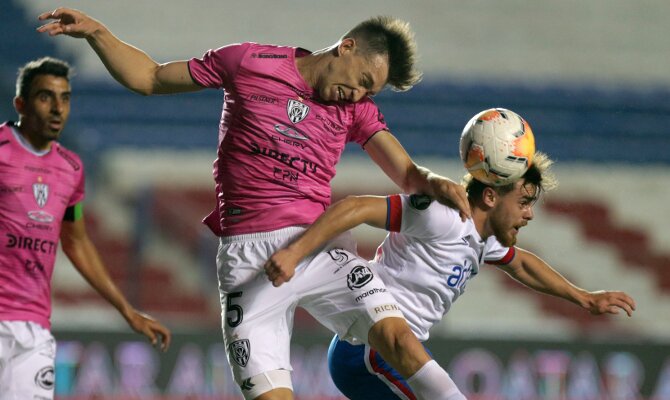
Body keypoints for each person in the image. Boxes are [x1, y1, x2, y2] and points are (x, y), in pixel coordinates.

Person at [37, 8, 472, 400]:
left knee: (397, 339)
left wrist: (435, 183)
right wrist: (98, 33)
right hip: (247, 261)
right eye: (362, 81)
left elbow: (408, 174)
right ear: (347, 46)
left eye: (370, 92)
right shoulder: (248, 62)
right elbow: (149, 78)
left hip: (318, 248)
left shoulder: (356, 112)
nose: (358, 96)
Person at [264, 149, 637, 399]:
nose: (530, 214)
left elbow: (522, 263)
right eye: (523, 202)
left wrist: (584, 297)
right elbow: (358, 207)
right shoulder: (442, 216)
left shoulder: (481, 239)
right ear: (490, 197)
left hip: (385, 351)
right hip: (371, 348)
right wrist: (296, 251)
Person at [0, 57, 172, 399]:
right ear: (21, 103)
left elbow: (76, 242)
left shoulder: (70, 167)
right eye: (45, 97)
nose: (57, 108)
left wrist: (127, 310)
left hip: (33, 327)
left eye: (64, 98)